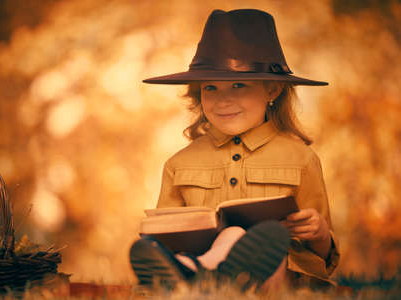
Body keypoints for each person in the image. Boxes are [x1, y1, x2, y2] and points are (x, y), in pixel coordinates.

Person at [130, 9, 340, 291]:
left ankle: (201, 278)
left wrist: (320, 234)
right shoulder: (178, 164)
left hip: (272, 280)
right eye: (211, 88)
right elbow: (166, 236)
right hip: (197, 261)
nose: (222, 100)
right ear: (198, 93)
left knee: (251, 237)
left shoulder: (301, 160)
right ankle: (199, 273)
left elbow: (324, 259)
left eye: (239, 85)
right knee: (211, 241)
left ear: (273, 90)